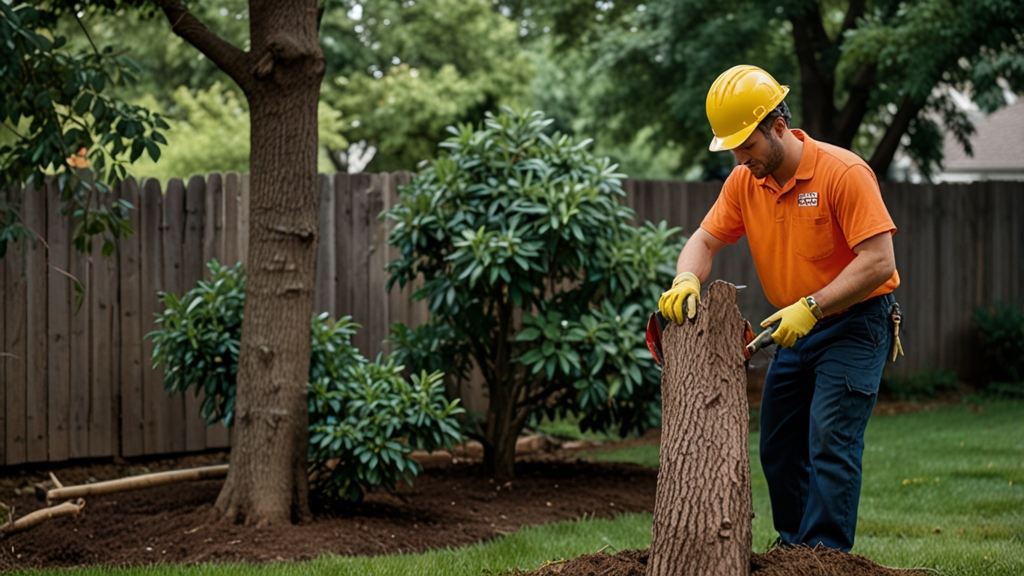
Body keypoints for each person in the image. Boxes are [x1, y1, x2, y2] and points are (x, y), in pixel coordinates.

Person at [658, 64, 902, 552]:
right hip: (796, 329)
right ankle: (795, 550)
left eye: (746, 146)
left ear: (778, 127)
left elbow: (878, 262)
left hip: (855, 324)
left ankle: (825, 556)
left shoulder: (843, 172)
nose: (739, 158)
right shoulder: (745, 183)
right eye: (732, 148)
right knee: (779, 448)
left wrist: (811, 306)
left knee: (830, 440)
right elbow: (704, 240)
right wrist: (686, 276)